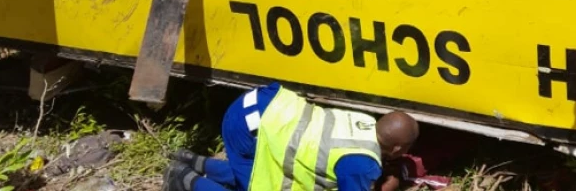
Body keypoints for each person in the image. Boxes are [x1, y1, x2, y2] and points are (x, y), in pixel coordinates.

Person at [164, 82, 419, 191]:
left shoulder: (364, 122)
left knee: (258, 173)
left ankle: (194, 161)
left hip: (264, 103)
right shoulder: (362, 165)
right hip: (250, 125)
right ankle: (184, 179)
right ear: (397, 149)